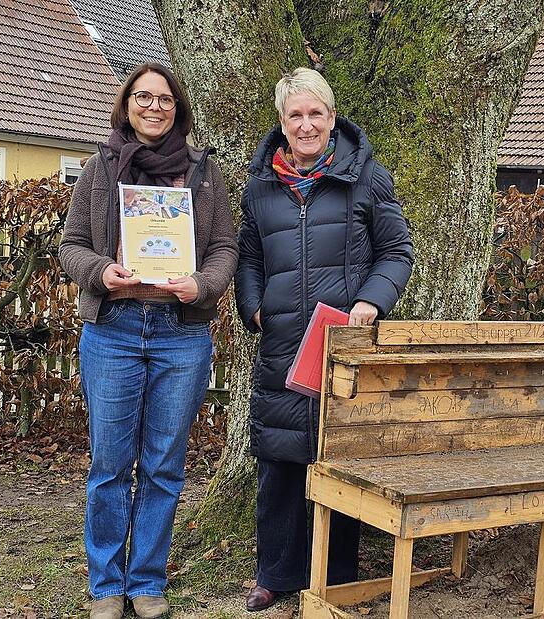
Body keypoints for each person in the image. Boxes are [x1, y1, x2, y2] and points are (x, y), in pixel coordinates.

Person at [60, 63, 237, 619]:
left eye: (164, 99)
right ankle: (106, 586)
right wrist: (101, 272)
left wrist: (202, 284)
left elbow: (226, 248)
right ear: (127, 103)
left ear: (178, 107)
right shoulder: (98, 168)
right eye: (143, 97)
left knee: (163, 465)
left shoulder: (205, 175)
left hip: (180, 336)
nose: (153, 107)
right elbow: (71, 245)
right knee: (109, 465)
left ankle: (146, 582)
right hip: (113, 330)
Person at [235, 67, 414, 611]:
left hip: (343, 349)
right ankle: (276, 573)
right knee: (281, 463)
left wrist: (370, 302)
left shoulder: (367, 177)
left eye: (316, 113)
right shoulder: (261, 185)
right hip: (283, 346)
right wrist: (254, 307)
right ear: (283, 124)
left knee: (339, 464)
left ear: (332, 119)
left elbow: (396, 252)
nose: (307, 124)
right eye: (296, 115)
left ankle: (336, 576)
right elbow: (248, 258)